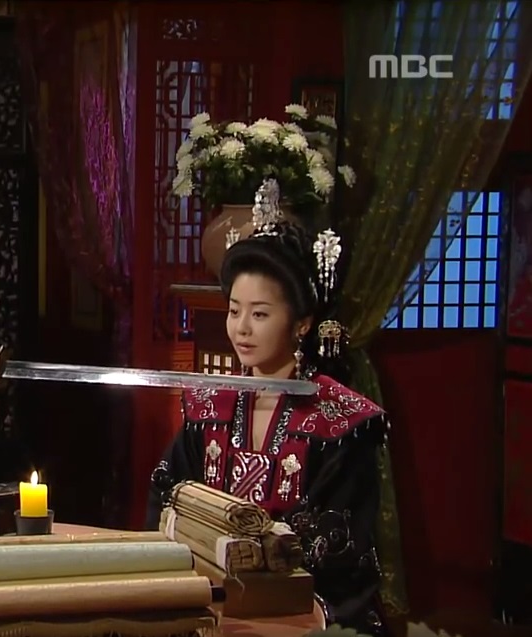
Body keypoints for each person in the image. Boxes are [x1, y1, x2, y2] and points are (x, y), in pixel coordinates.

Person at [145, 180, 388, 635]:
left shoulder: (339, 422)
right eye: (234, 310)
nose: (241, 328)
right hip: (206, 598)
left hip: (299, 612)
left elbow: (341, 547)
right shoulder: (209, 405)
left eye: (259, 314)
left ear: (301, 323)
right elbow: (167, 492)